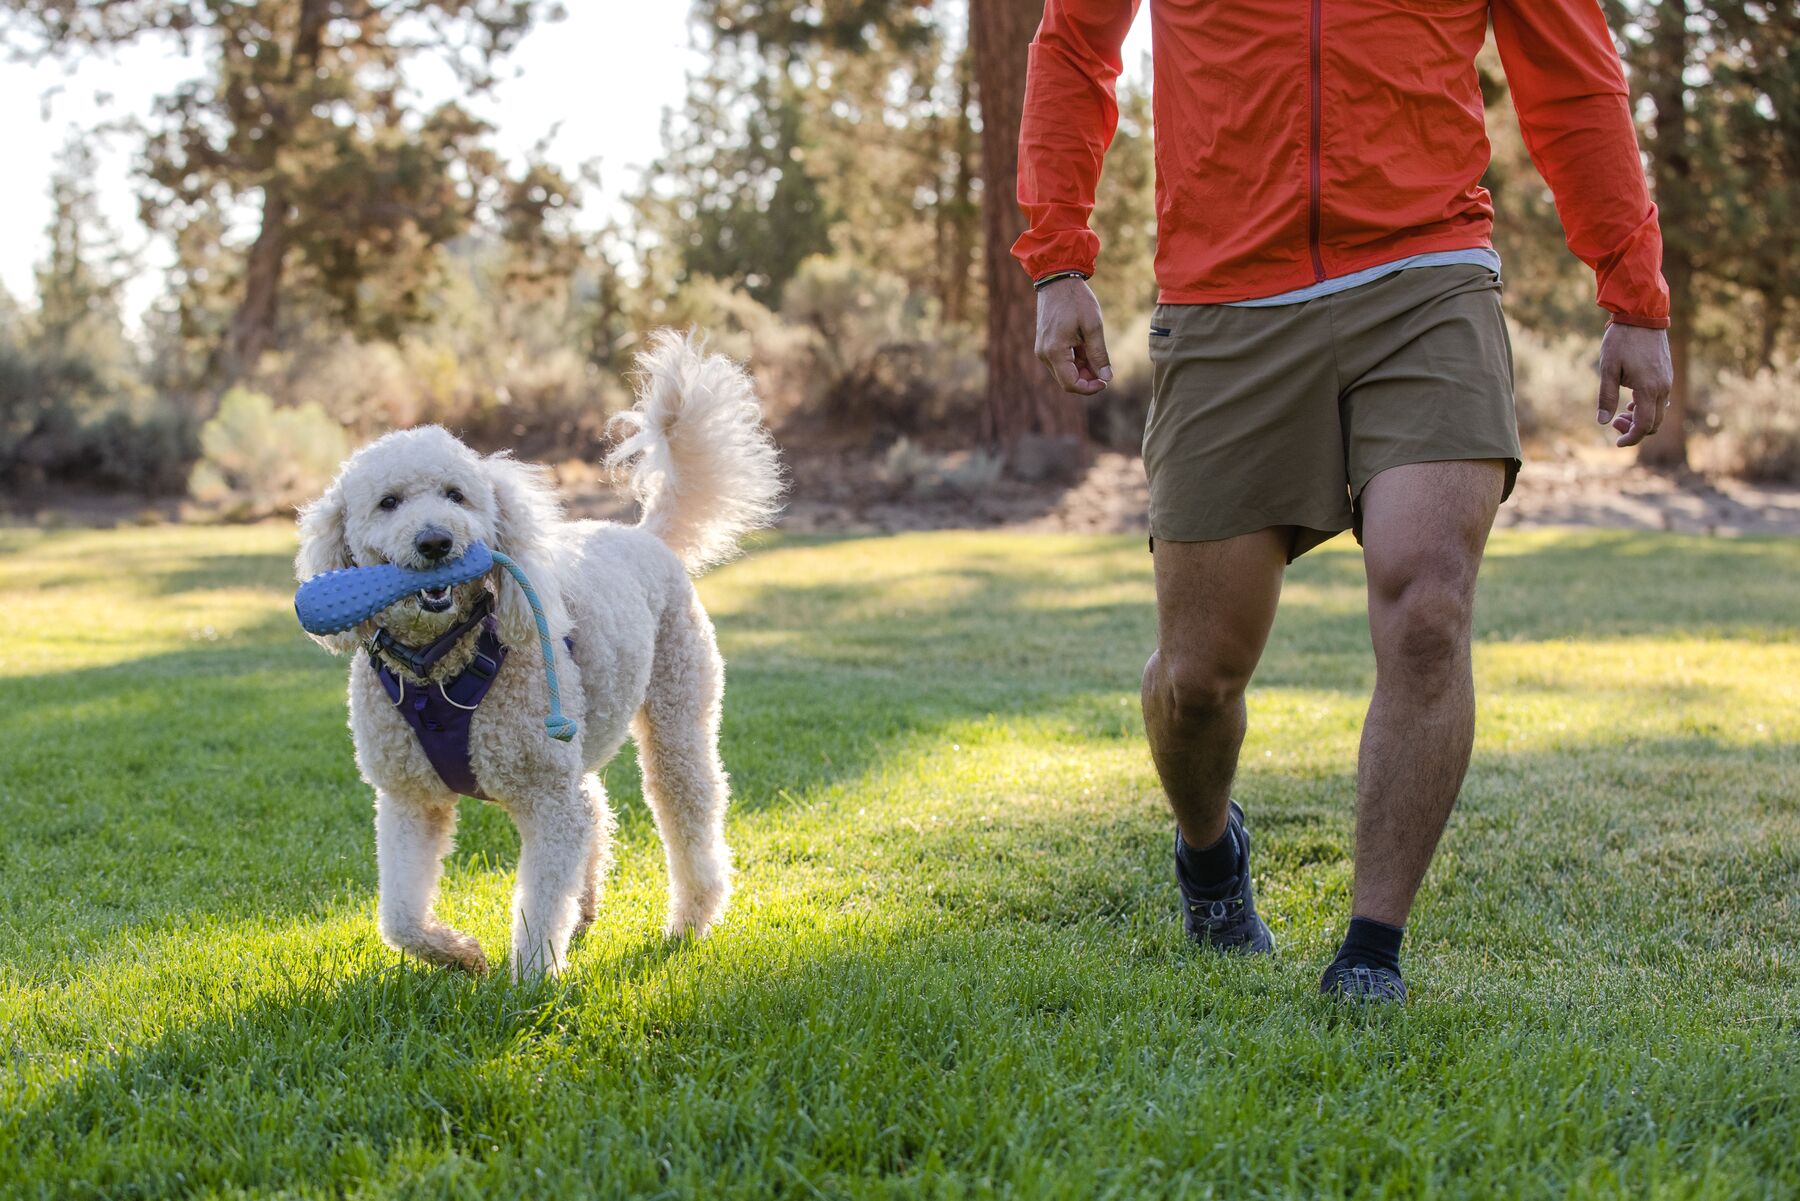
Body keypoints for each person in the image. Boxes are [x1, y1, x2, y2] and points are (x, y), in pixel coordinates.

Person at [1018, 0, 1674, 1001]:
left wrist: (1634, 289)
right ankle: (1208, 853)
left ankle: (1371, 952)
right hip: (1228, 295)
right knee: (1197, 677)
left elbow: (1572, 74)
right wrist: (1058, 256)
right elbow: (1074, 45)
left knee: (1428, 605)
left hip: (1427, 275)